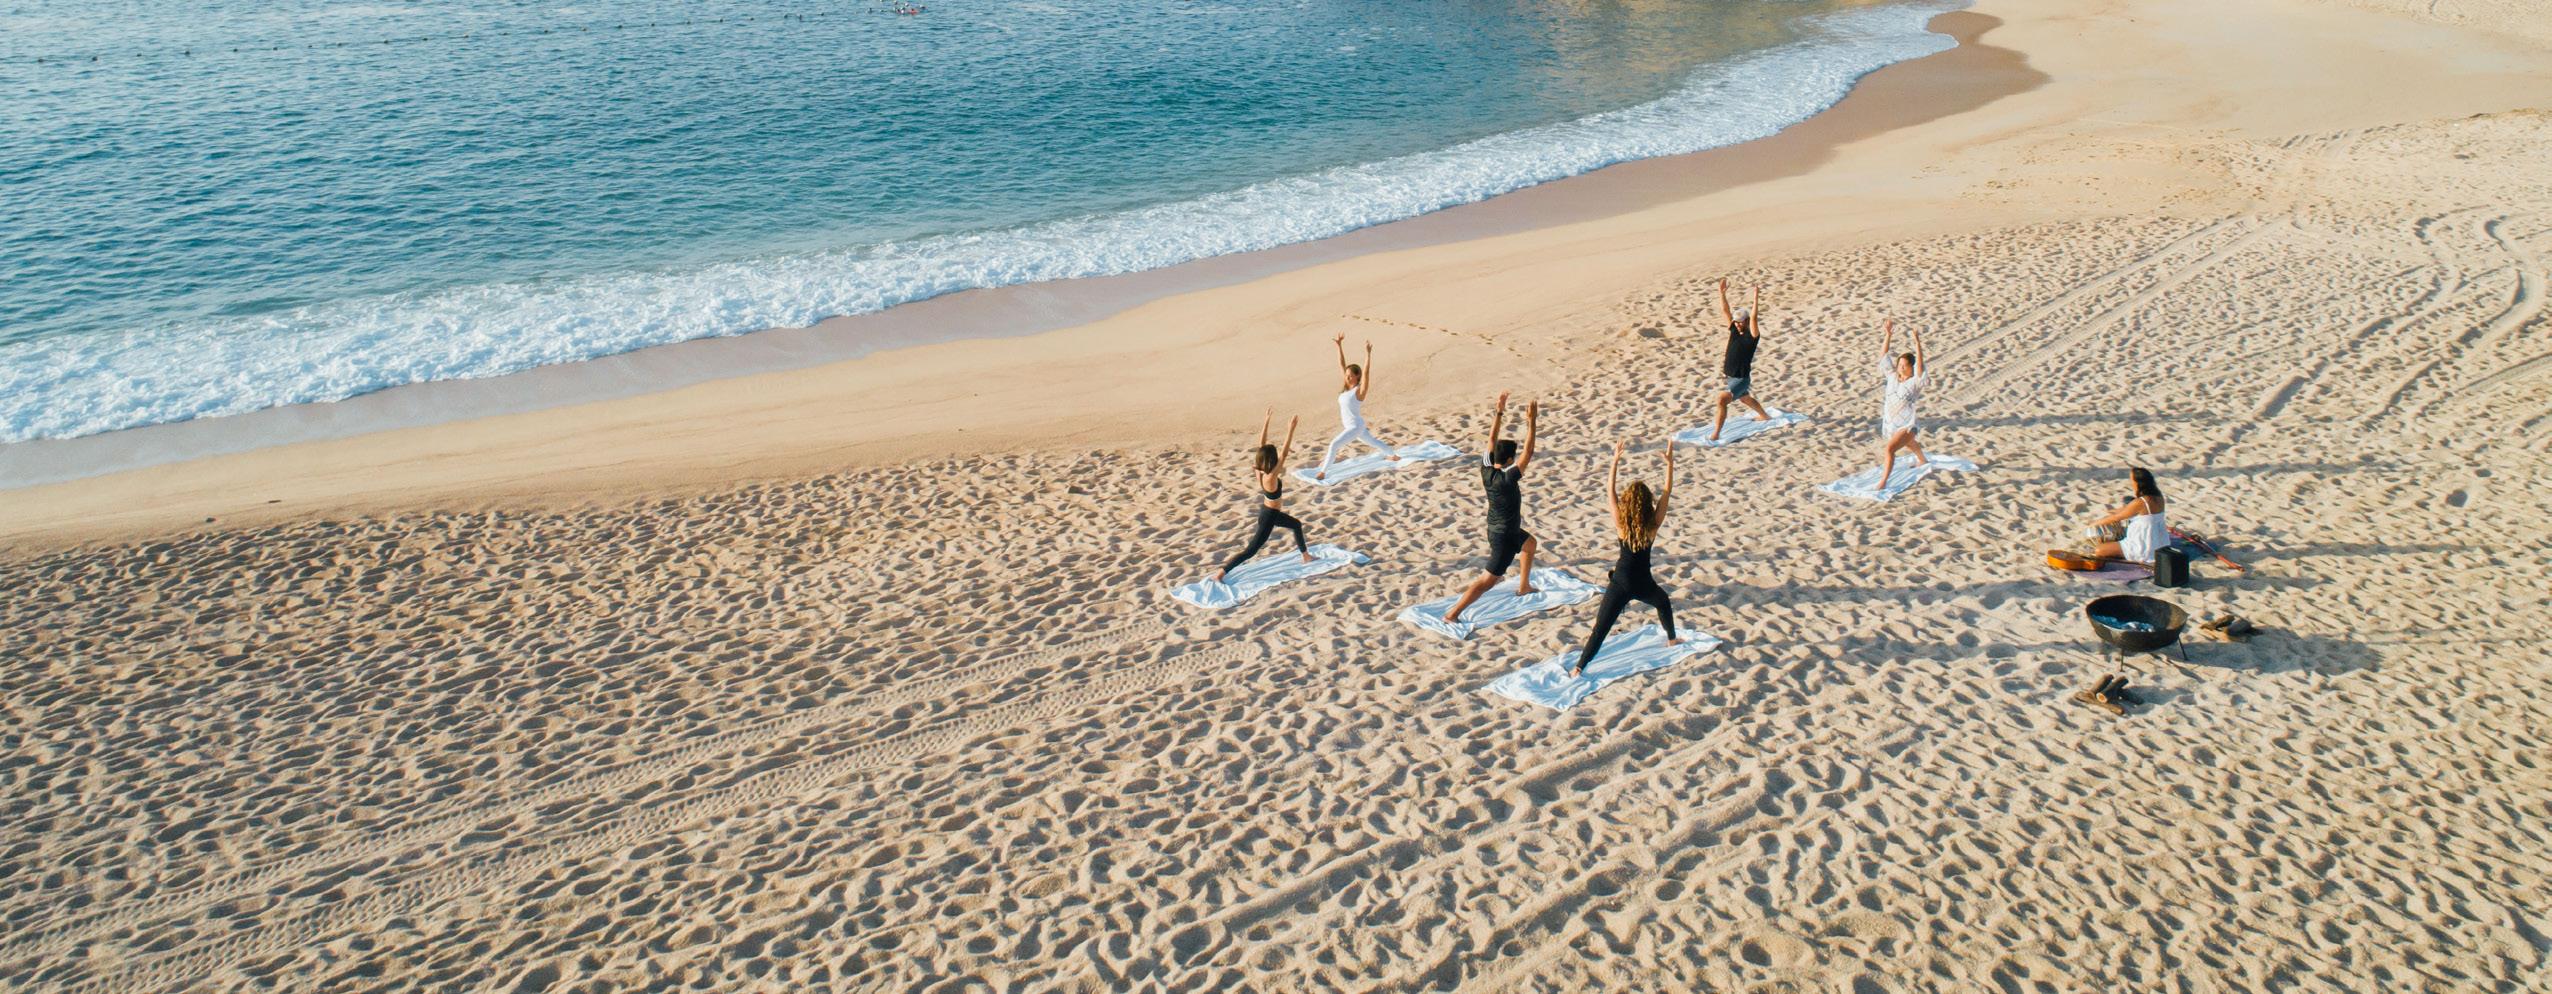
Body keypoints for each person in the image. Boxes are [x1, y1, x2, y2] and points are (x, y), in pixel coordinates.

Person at [1569, 439, 1683, 678]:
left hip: (1620, 582)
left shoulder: (1621, 524)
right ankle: (1672, 640)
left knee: (1600, 629)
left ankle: (1579, 667)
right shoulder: (1652, 526)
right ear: (1648, 504)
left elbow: (1609, 492)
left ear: (1627, 504)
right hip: (1644, 584)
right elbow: (1667, 493)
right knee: (1663, 602)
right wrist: (1670, 465)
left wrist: (1614, 461)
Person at [1444, 393, 1539, 624]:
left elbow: (1491, 438)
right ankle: (1453, 614)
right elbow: (1528, 453)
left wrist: (1499, 411)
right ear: (1509, 461)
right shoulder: (1508, 478)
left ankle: (1524, 586)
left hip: (1503, 529)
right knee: (1486, 582)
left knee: (1530, 544)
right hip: (1504, 536)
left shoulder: (1486, 469)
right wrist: (1532, 422)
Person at [1215, 411, 1314, 582]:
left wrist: (1266, 421)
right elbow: (1284, 454)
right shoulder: (1270, 477)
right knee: (1250, 551)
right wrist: (1291, 430)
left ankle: (1306, 556)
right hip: (1269, 517)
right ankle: (1221, 573)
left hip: (1271, 513)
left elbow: (1261, 445)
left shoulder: (1260, 471)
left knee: (1296, 524)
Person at [1315, 334, 1400, 480]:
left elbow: (1366, 373)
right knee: (1373, 442)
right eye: (1346, 375)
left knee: (1334, 444)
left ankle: (1323, 472)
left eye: (1350, 375)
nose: (1347, 377)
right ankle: (1394, 456)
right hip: (1356, 425)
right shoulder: (1346, 388)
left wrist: (1368, 354)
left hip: (1354, 426)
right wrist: (1339, 346)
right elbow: (1342, 364)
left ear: (1357, 376)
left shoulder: (1359, 391)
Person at [1709, 278, 1773, 442]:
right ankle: (1764, 416)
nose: (1737, 325)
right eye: (1736, 322)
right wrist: (1722, 294)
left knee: (1721, 400)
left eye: (1740, 322)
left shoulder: (1752, 336)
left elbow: (1754, 317)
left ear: (1746, 322)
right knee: (1744, 398)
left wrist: (1756, 297)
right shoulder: (1734, 331)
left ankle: (1716, 433)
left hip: (1741, 379)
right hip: (1730, 377)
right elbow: (1725, 311)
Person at [1873, 318, 1930, 491]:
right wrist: (1888, 335)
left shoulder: (1914, 382)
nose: (1901, 368)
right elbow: (1883, 357)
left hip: (1907, 425)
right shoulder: (1892, 376)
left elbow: (1920, 368)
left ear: (1911, 367)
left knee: (1890, 450)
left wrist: (1917, 343)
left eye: (1905, 366)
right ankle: (1922, 460)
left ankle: (1883, 482)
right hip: (1892, 423)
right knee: (1909, 443)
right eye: (1900, 365)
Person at [2080, 467, 2169, 564]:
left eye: (2131, 480)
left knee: (2099, 550)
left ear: (2137, 483)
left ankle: (2125, 555)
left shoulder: (2141, 502)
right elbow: (2130, 510)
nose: (2131, 483)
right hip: (2160, 544)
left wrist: (2093, 524)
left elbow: (2116, 518)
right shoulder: (2158, 497)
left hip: (2143, 547)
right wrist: (2114, 511)